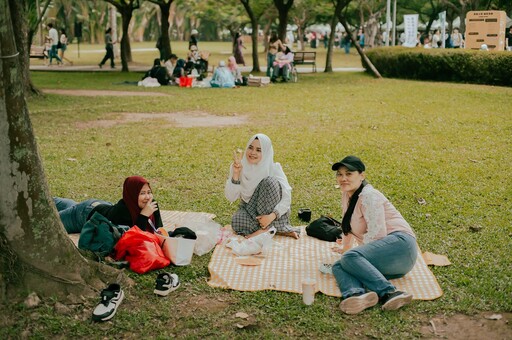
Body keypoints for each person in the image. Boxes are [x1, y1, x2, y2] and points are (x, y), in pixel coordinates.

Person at [330, 156, 417, 315]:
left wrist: (355, 255)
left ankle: (390, 293)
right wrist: (346, 248)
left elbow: (378, 235)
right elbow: (347, 223)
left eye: (349, 174)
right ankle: (356, 295)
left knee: (350, 258)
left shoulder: (369, 196)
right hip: (390, 261)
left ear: (362, 175)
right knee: (339, 264)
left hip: (401, 246)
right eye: (339, 174)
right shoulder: (347, 194)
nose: (343, 178)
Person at [225, 133, 300, 239]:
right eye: (250, 148)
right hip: (251, 210)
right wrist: (236, 174)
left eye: (259, 150)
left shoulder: (274, 168)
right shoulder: (238, 166)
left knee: (269, 182)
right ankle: (276, 229)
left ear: (266, 153)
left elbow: (287, 196)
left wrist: (272, 216)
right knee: (236, 221)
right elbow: (231, 197)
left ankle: (265, 229)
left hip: (272, 211)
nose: (253, 153)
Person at [54, 176, 162, 234]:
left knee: (71, 207)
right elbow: (134, 238)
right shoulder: (123, 212)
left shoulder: (151, 205)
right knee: (48, 222)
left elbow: (159, 231)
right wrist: (143, 216)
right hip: (84, 214)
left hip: (100, 206)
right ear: (132, 195)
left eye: (149, 192)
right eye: (142, 193)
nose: (147, 197)